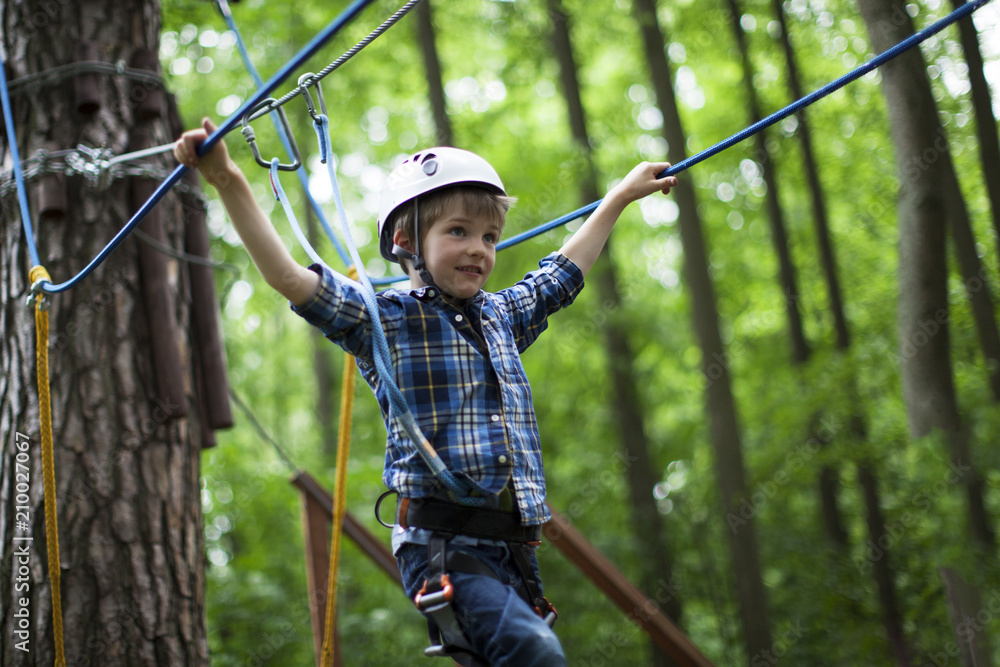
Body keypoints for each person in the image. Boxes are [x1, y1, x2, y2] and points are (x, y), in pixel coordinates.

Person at [174, 118, 677, 666]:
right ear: (406, 242)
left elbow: (560, 275)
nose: (479, 250)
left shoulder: (500, 317)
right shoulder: (385, 322)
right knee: (537, 655)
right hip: (444, 549)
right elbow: (292, 279)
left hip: (514, 552)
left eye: (489, 237)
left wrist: (620, 197)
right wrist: (227, 180)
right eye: (457, 232)